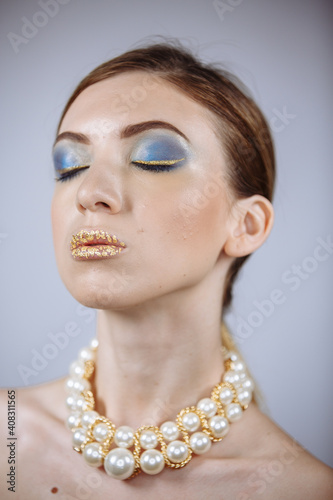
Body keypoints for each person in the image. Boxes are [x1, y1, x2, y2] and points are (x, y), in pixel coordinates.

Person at [1, 42, 332, 500]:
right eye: (69, 165)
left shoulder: (304, 491)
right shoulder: (7, 436)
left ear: (246, 225)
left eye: (152, 157)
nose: (90, 193)